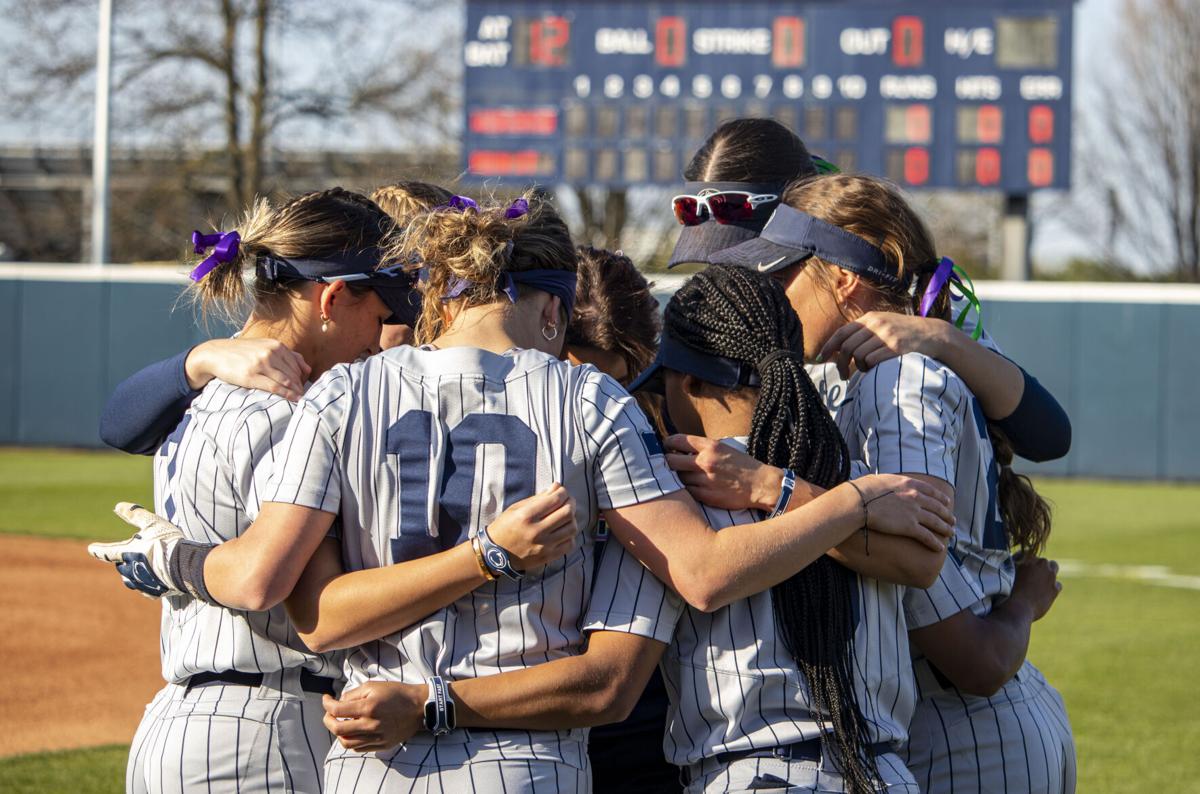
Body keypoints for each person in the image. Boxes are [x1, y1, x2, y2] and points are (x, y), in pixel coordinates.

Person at [92, 195, 954, 792]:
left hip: (367, 758)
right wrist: (851, 499)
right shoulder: (588, 398)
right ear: (553, 308)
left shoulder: (342, 393)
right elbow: (695, 573)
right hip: (529, 762)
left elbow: (315, 616)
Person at [710, 173, 1076, 793]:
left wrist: (771, 488)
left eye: (782, 277)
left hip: (966, 732)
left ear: (844, 278)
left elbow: (963, 648)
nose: (769, 295)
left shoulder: (896, 379)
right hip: (965, 722)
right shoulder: (863, 373)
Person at [111, 187, 424, 794]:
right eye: (381, 311)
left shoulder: (203, 395)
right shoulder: (292, 409)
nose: (385, 332)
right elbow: (281, 587)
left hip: (188, 725)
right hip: (265, 732)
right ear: (332, 297)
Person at [626, 263, 943, 792]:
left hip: (754, 773)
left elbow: (703, 579)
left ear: (691, 379)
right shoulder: (861, 482)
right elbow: (924, 561)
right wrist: (848, 499)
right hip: (881, 772)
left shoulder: (670, 489)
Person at [665, 118, 1071, 478]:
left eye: (759, 259)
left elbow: (1048, 436)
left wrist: (940, 338)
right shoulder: (735, 311)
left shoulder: (914, 316)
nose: (736, 279)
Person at [98, 182, 452, 455]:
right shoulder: (264, 383)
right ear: (333, 299)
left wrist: (181, 553)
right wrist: (199, 361)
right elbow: (118, 426)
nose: (415, 336)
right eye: (388, 318)